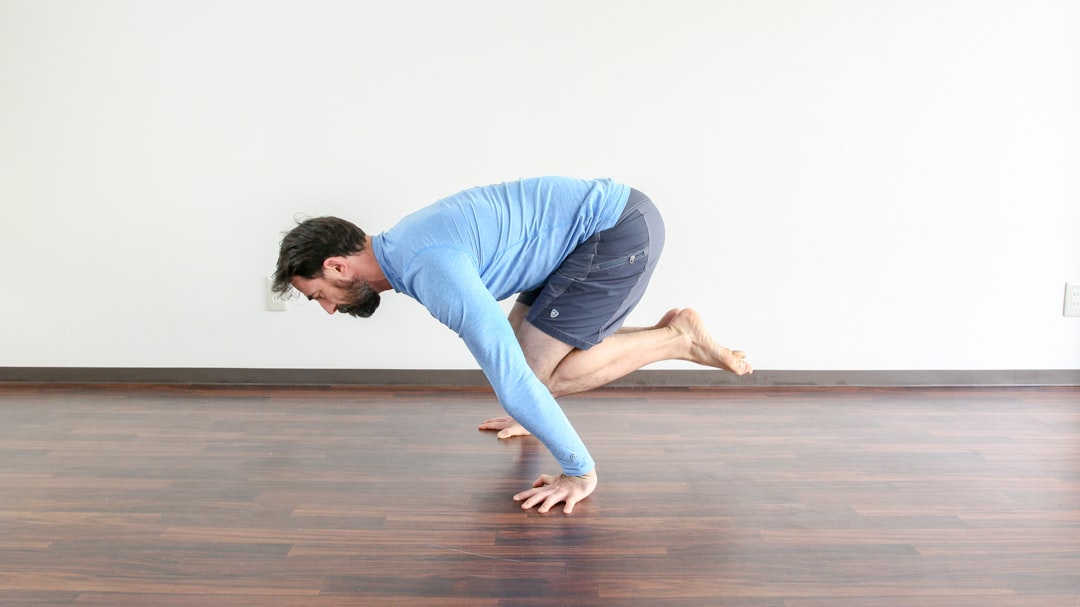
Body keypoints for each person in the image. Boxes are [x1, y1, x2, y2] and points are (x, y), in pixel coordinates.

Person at [272, 177, 752, 514]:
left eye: (319, 297)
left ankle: (678, 339)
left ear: (336, 267)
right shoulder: (404, 249)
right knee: (531, 376)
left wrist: (577, 472)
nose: (329, 309)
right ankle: (674, 335)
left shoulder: (429, 267)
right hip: (579, 239)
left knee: (541, 378)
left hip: (611, 230)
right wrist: (524, 405)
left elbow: (511, 374)